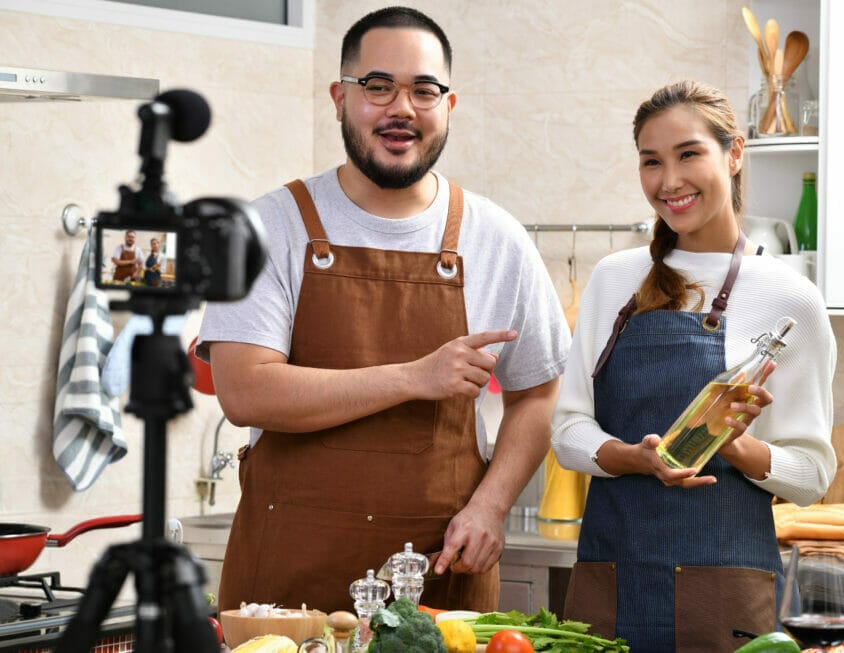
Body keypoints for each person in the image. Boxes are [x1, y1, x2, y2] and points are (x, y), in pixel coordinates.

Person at [198, 6, 570, 614]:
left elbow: (538, 394)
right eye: (377, 86)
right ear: (340, 97)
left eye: (425, 90)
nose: (402, 108)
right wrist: (414, 377)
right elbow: (244, 393)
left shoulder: (496, 238)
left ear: (449, 105)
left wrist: (490, 506)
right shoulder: (267, 227)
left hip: (438, 580)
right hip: (287, 590)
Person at [551, 80, 837, 653]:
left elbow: (812, 475)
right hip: (614, 576)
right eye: (651, 162)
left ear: (733, 155)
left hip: (725, 596)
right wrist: (631, 457)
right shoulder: (614, 279)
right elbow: (567, 430)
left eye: (688, 154)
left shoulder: (790, 298)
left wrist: (734, 445)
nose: (669, 181)